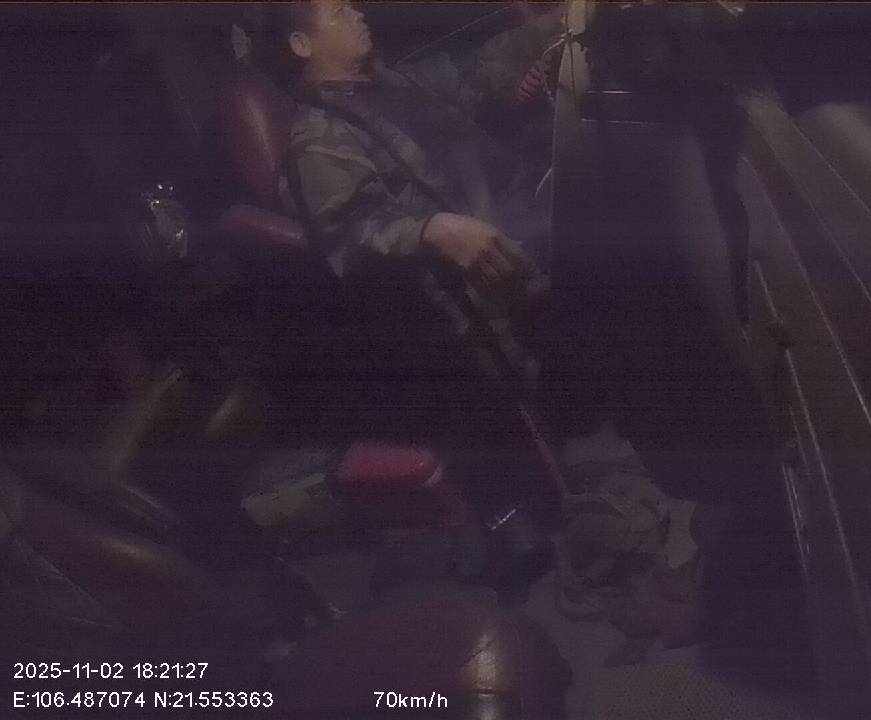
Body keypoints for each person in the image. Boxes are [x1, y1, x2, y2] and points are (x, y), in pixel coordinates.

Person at [261, 0, 704, 649]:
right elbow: (349, 240)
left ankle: (684, 458)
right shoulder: (318, 140)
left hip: (525, 218)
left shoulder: (390, 85)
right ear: (301, 44)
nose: (354, 10)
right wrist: (430, 229)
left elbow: (476, 74)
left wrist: (560, 22)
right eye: (334, 8)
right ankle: (631, 538)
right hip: (479, 292)